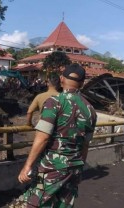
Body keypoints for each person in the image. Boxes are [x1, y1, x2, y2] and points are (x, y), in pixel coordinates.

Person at [18, 63, 97, 207]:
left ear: (61, 79)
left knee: (35, 203)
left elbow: (43, 138)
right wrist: (79, 168)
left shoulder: (54, 103)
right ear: (82, 83)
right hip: (74, 167)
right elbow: (85, 145)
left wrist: (27, 166)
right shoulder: (90, 110)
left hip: (52, 167)